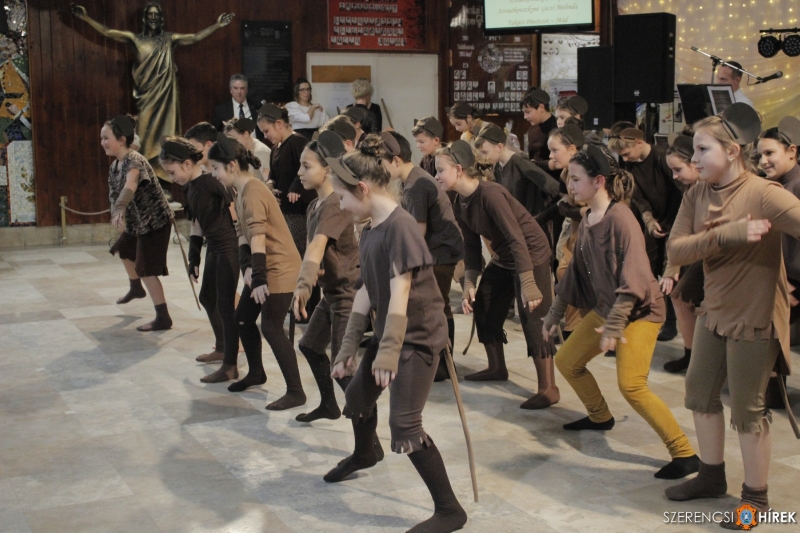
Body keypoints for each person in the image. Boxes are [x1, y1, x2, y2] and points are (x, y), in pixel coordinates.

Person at [663, 104, 800, 527]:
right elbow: (675, 249)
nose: (695, 159)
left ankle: (756, 500)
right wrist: (728, 234)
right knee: (699, 394)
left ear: (733, 151)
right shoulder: (697, 193)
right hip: (716, 310)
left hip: (755, 315)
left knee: (747, 411)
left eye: (703, 150)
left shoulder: (763, 193)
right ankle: (711, 475)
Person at [324, 136, 468, 533]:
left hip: (417, 337)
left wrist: (388, 352)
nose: (341, 205)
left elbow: (401, 293)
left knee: (405, 426)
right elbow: (366, 289)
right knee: (356, 397)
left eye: (343, 197)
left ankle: (450, 511)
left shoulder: (401, 227)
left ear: (363, 189)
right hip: (392, 330)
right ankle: (365, 454)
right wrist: (349, 346)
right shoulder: (371, 227)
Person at [542, 144, 699, 480]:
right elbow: (575, 272)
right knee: (567, 361)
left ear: (599, 181)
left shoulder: (621, 219)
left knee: (632, 386)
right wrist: (555, 313)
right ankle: (600, 416)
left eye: (576, 179)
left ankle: (684, 453)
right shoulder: (588, 218)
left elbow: (635, 277)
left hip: (639, 312)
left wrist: (615, 324)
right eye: (569, 179)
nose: (570, 185)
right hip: (608, 310)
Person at [436, 141, 559, 409]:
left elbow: (517, 238)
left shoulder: (491, 194)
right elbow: (470, 244)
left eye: (440, 170)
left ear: (458, 169)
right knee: (485, 304)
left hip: (531, 253)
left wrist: (528, 282)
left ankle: (549, 387)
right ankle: (496, 367)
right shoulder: (458, 200)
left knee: (532, 318)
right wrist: (470, 282)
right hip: (505, 256)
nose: (437, 176)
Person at [208, 133, 306, 410]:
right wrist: (248, 268)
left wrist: (260, 278)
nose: (213, 174)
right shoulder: (239, 191)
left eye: (215, 168)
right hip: (263, 265)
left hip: (280, 267)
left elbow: (259, 236)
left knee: (271, 327)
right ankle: (256, 372)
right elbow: (242, 233)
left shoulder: (253, 190)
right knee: (242, 318)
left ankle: (296, 392)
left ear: (231, 165)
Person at [71, 3, 234, 169]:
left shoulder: (169, 39)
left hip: (166, 93)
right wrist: (86, 18)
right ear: (145, 18)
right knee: (144, 133)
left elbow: (194, 37)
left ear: (161, 19)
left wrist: (217, 25)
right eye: (150, 14)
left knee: (168, 133)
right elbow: (108, 32)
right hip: (146, 96)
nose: (153, 18)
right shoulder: (135, 39)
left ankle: (167, 172)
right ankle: (146, 172)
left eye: (157, 15)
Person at [377, 131, 464, 382]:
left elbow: (418, 231)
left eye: (382, 164)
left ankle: (444, 364)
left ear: (395, 160)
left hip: (441, 253)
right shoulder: (410, 179)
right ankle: (439, 361)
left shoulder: (416, 184)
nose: (380, 171)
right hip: (434, 251)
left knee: (438, 308)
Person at [291, 130, 360, 422]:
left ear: (328, 170)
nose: (299, 172)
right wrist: (310, 274)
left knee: (343, 368)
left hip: (348, 294)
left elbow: (318, 246)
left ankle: (369, 439)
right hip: (332, 293)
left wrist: (303, 286)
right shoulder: (315, 205)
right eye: (300, 165)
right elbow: (314, 251)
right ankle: (329, 406)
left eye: (307, 166)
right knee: (309, 345)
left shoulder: (334, 204)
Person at [159, 137, 240, 382]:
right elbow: (196, 223)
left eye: (172, 172)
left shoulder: (210, 182)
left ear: (186, 164)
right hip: (214, 246)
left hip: (228, 246)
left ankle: (231, 364)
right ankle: (222, 347)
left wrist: (246, 249)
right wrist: (194, 257)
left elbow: (235, 209)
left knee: (225, 306)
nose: (172, 178)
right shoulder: (190, 187)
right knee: (207, 297)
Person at [608, 125, 683, 342]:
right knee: (645, 267)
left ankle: (670, 321)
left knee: (670, 272)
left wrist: (677, 225)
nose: (625, 159)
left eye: (626, 153)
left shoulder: (662, 159)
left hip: (676, 218)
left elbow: (681, 191)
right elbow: (637, 196)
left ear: (639, 143)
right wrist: (649, 219)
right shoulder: (629, 163)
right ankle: (646, 315)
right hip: (654, 220)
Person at [104, 115, 174, 332]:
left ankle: (163, 317)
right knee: (123, 249)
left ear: (121, 140)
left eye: (106, 138)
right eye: (102, 138)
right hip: (137, 223)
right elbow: (114, 194)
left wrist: (121, 208)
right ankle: (136, 288)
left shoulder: (134, 160)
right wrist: (117, 213)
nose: (103, 142)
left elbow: (131, 184)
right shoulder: (115, 166)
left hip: (155, 223)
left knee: (146, 269)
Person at [756, 116, 800, 409]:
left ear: (792, 151)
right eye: (760, 155)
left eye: (770, 153)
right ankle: (770, 394)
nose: (763, 161)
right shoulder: (774, 185)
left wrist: (795, 285)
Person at [659, 134, 703, 374]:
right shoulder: (690, 190)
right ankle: (692, 353)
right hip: (694, 253)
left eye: (678, 169)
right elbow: (679, 231)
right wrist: (672, 267)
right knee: (679, 297)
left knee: (684, 298)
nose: (675, 176)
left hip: (712, 256)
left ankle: (697, 356)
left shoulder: (707, 188)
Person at [257, 104, 316, 256]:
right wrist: (270, 185)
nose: (265, 136)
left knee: (298, 249)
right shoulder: (275, 149)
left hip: (299, 210)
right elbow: (273, 175)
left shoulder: (298, 142)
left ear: (279, 124)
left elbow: (307, 166)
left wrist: (296, 186)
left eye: (266, 131)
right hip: (285, 209)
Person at [473, 123, 561, 216]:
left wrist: (545, 215)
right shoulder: (497, 166)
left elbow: (553, 186)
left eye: (485, 152)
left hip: (531, 220)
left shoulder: (519, 162)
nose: (483, 157)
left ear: (499, 147)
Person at [212, 74, 264, 140]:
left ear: (246, 90)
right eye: (236, 88)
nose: (239, 92)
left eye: (242, 88)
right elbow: (216, 134)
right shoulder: (221, 110)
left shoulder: (257, 107)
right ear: (231, 90)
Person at [223, 117, 271, 183]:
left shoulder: (260, 151)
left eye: (234, 140)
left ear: (245, 134)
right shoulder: (241, 152)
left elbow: (268, 182)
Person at [520, 87, 558, 169]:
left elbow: (559, 161)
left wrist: (534, 164)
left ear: (541, 107)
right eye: (524, 112)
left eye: (528, 112)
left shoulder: (556, 128)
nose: (525, 117)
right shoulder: (532, 128)